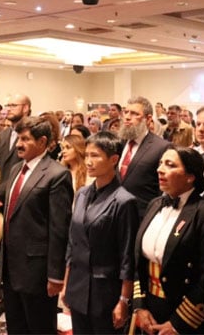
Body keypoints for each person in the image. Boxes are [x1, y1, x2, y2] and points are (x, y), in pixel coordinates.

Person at [1, 116, 73, 334]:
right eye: (18, 138)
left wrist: (55, 275)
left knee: (39, 328)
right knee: (16, 327)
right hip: (11, 267)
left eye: (25, 139)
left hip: (38, 271)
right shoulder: (15, 169)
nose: (19, 144)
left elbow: (59, 229)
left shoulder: (57, 174)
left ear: (42, 142)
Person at [133, 147, 204, 334]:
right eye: (160, 163)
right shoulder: (154, 204)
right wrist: (140, 306)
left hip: (181, 312)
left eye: (170, 165)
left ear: (190, 176)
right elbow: (139, 262)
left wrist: (179, 323)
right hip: (149, 308)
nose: (160, 169)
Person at [63, 131, 139, 334]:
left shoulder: (124, 200)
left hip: (106, 291)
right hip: (78, 286)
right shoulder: (81, 194)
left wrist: (124, 299)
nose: (88, 161)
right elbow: (73, 243)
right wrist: (66, 285)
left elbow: (127, 256)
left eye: (95, 156)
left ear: (114, 159)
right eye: (86, 155)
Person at [118, 97, 170, 218]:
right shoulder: (120, 143)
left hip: (143, 217)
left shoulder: (161, 147)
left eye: (134, 113)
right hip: (117, 216)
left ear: (148, 119)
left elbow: (163, 191)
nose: (127, 117)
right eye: (126, 112)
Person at [0, 94, 31, 196]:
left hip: (21, 193)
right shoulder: (4, 134)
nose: (9, 109)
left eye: (13, 105)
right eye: (8, 105)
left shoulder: (31, 133)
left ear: (25, 108)